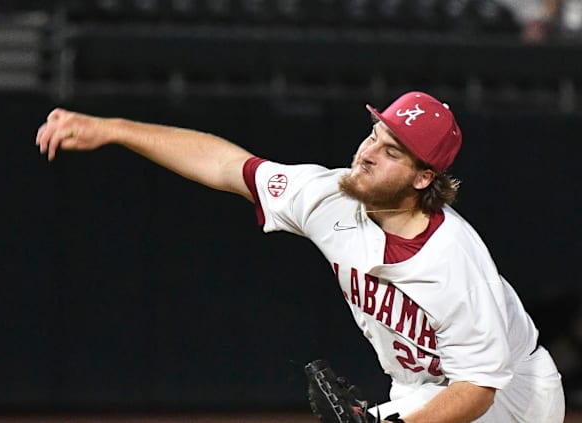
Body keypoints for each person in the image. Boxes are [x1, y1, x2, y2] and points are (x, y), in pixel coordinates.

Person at [35, 91, 566, 422]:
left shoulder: (454, 260)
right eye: (374, 134)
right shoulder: (328, 195)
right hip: (420, 389)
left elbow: (478, 389)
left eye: (390, 151)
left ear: (423, 178)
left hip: (513, 398)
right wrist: (114, 129)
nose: (366, 152)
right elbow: (227, 166)